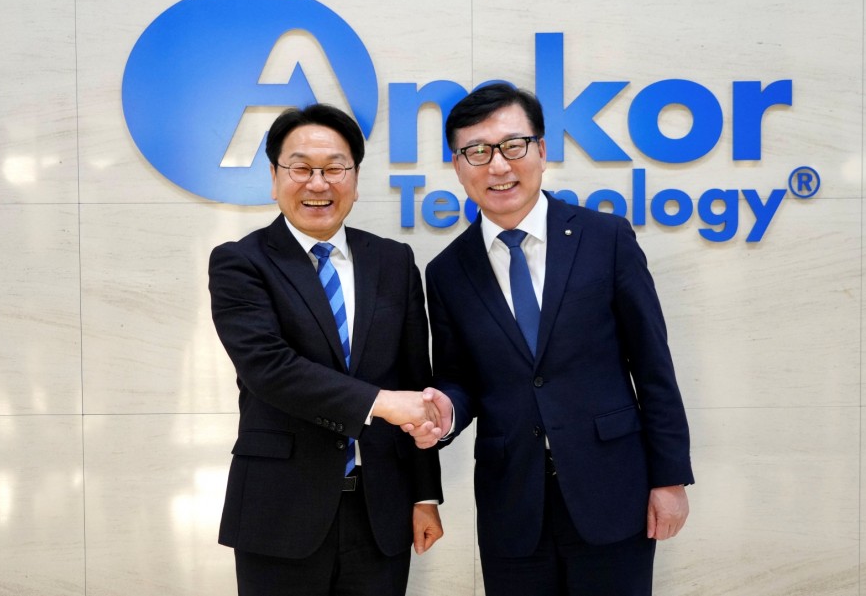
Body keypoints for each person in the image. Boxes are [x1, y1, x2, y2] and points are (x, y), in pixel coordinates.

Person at [405, 83, 694, 596]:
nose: (498, 165)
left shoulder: (606, 239)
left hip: (613, 491)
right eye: (478, 151)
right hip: (512, 506)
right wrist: (445, 411)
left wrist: (669, 479)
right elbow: (458, 378)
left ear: (541, 149)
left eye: (513, 146)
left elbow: (653, 364)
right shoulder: (447, 271)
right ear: (458, 166)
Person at [209, 103, 445, 596]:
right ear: (274, 178)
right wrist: (382, 403)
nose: (318, 183)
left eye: (335, 168)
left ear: (355, 180)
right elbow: (269, 369)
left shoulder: (394, 261)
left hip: (381, 512)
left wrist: (425, 495)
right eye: (301, 168)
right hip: (280, 512)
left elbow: (415, 377)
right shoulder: (240, 263)